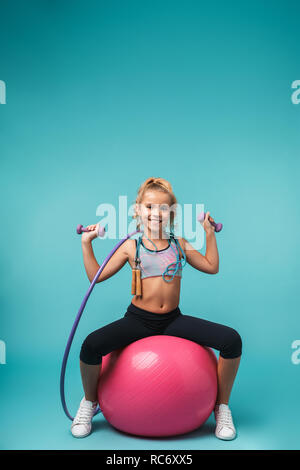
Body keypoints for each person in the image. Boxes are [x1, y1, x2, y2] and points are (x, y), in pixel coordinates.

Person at [71, 177, 242, 440]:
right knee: (90, 346)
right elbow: (96, 275)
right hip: (138, 320)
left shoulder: (179, 244)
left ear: (172, 213)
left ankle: (221, 407)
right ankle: (89, 402)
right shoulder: (131, 246)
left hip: (173, 320)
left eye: (163, 208)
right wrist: (87, 243)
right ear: (138, 210)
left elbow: (211, 266)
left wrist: (209, 233)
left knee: (231, 340)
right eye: (149, 207)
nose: (156, 213)